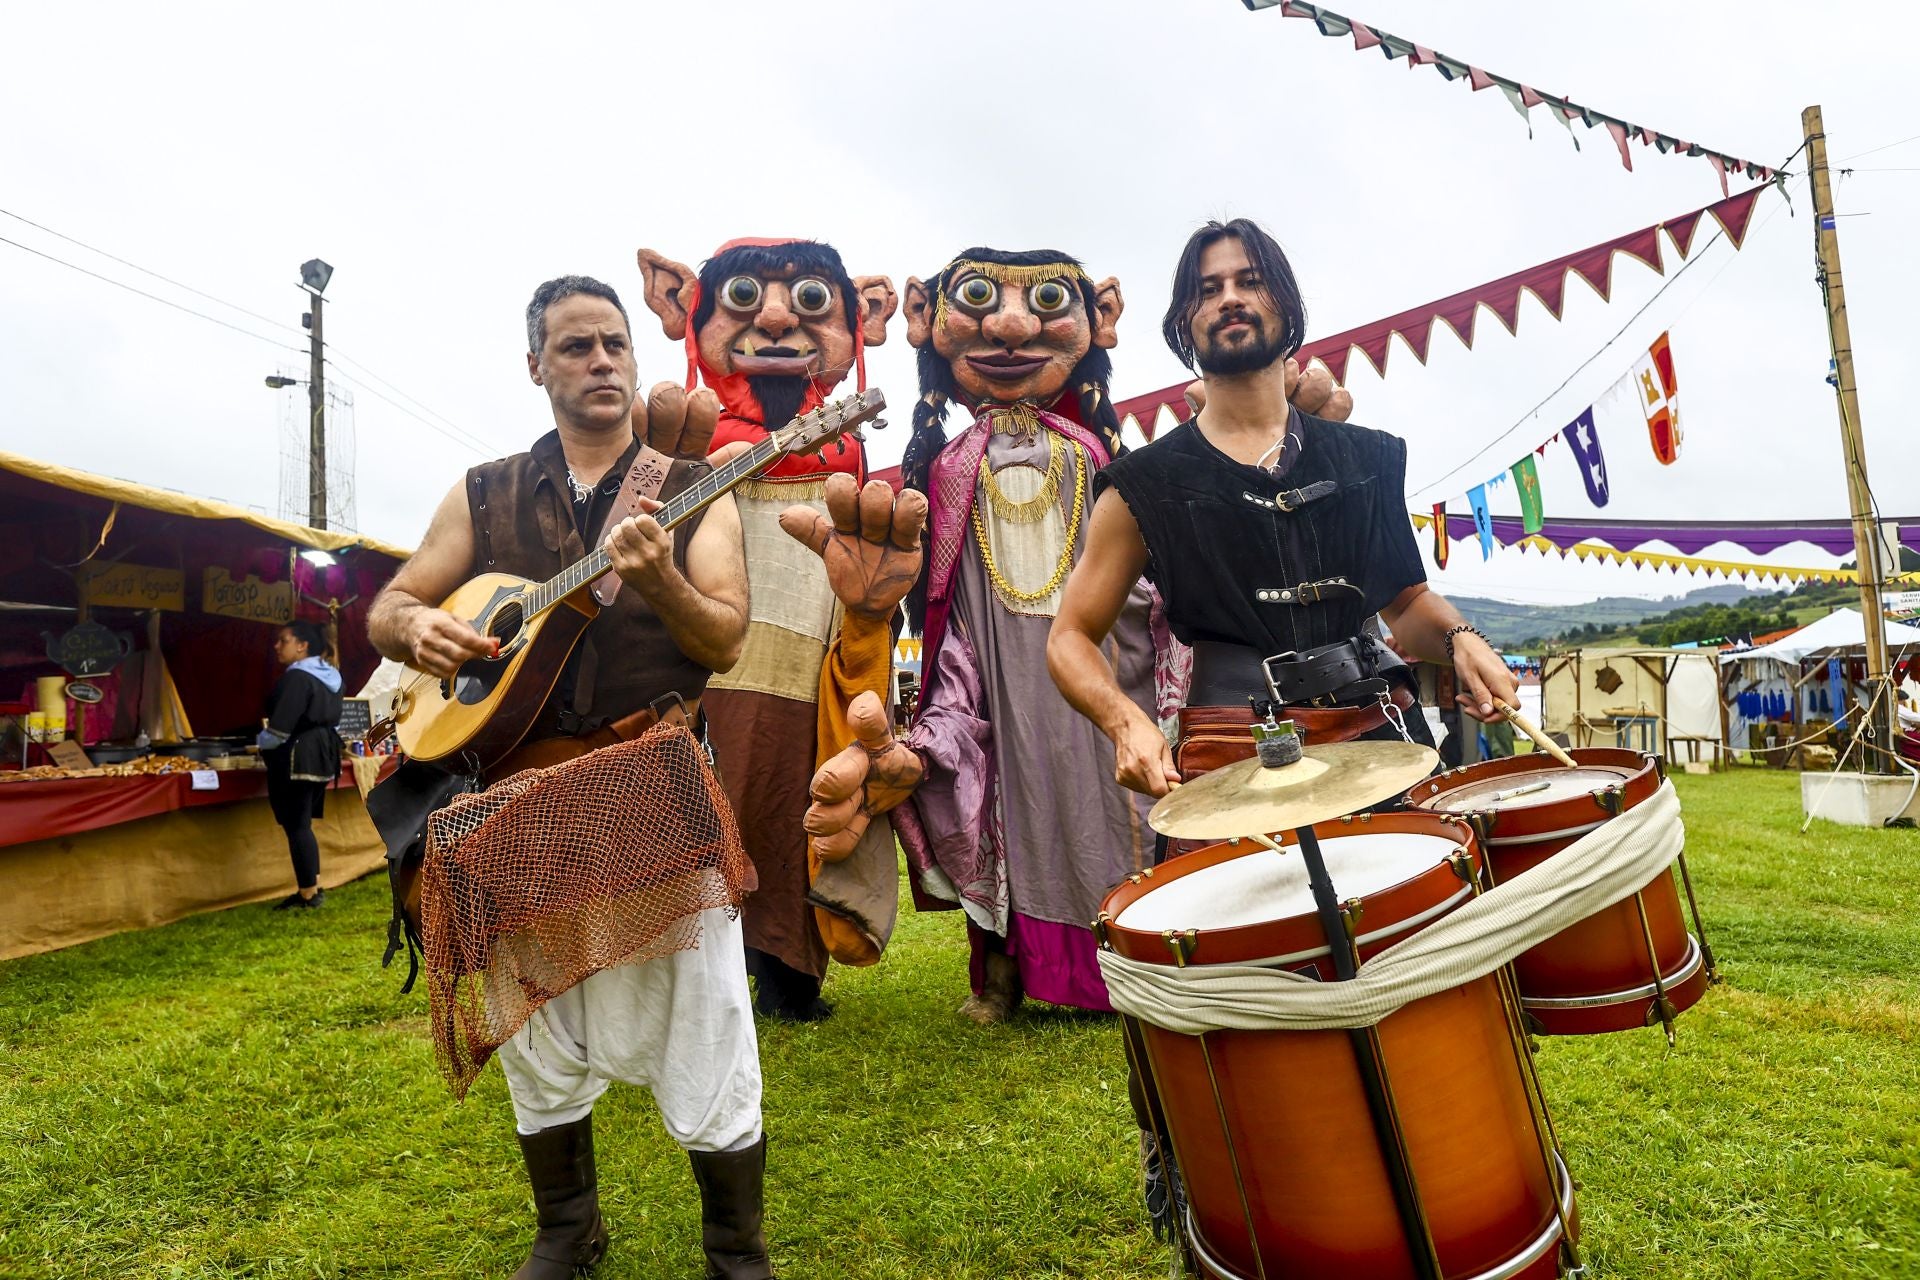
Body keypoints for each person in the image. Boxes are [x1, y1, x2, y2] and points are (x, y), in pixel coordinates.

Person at [800, 247, 1353, 1024]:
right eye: (982, 300)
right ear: (929, 320)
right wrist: (947, 698)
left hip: (1106, 666)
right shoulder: (951, 467)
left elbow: (1150, 572)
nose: (1013, 326)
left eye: (1046, 301)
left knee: (1122, 814)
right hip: (1000, 675)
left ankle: (1139, 955)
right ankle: (1000, 973)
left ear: (1100, 319)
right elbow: (946, 602)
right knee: (1001, 805)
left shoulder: (1100, 456)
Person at [365, 275, 773, 1280]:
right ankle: (566, 1229)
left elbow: (723, 634)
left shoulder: (692, 482)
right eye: (576, 345)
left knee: (707, 1010)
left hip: (651, 781)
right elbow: (390, 602)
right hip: (512, 796)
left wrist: (662, 577)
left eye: (614, 343)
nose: (600, 360)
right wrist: (414, 625)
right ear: (537, 365)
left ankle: (735, 1247)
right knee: (532, 1016)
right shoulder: (484, 490)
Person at [1048, 214, 1516, 800]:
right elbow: (1070, 635)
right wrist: (1125, 723)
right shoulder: (1143, 484)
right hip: (1230, 749)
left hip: (1380, 738)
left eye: (1250, 281)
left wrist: (1461, 639)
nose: (1231, 299)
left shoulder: (1364, 457)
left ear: (1286, 305)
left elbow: (1407, 604)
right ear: (1184, 324)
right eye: (1209, 289)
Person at [634, 239, 921, 1021]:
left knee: (798, 807)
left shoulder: (846, 447)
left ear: (863, 316)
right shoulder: (677, 446)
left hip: (810, 659)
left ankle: (789, 973)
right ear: (677, 303)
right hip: (697, 659)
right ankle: (688, 976)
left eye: (811, 303)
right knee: (697, 811)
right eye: (743, 299)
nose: (772, 319)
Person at [259, 619, 344, 910]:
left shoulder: (297, 678)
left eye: (283, 640)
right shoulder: (332, 675)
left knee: (297, 825)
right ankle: (311, 886)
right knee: (302, 824)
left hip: (298, 754)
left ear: (301, 645)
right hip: (322, 753)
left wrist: (258, 742)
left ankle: (308, 893)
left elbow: (280, 730)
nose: (277, 646)